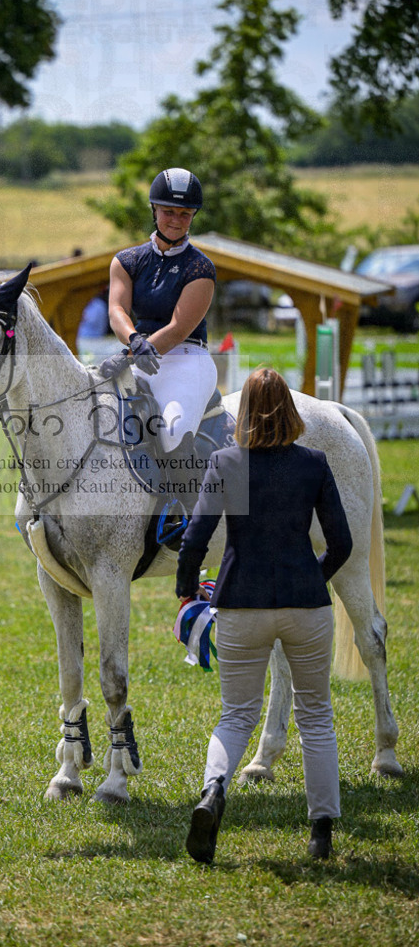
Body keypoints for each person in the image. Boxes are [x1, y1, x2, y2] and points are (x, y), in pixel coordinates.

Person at [175, 367, 353, 863]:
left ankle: (213, 793)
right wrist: (315, 576)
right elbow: (342, 543)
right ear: (291, 410)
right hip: (306, 604)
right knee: (315, 718)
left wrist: (186, 589)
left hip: (241, 605)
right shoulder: (315, 463)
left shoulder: (225, 462)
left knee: (235, 716)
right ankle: (320, 834)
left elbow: (194, 539)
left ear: (246, 412)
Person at [98, 168, 217, 471]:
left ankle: (187, 512)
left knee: (172, 433)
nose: (176, 220)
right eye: (168, 212)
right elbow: (117, 311)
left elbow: (178, 329)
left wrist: (129, 353)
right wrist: (135, 342)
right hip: (139, 356)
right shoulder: (127, 261)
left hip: (186, 360)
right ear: (154, 210)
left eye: (185, 214)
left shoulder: (200, 268)